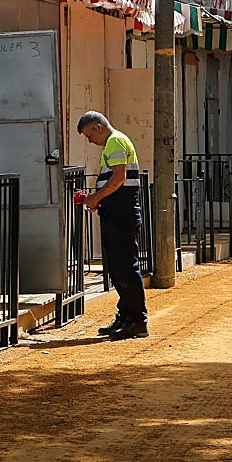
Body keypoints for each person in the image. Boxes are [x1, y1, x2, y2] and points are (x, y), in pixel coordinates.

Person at [77, 111, 148, 339]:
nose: (90, 141)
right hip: (117, 213)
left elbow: (118, 179)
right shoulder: (113, 143)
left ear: (97, 127)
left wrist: (96, 197)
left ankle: (137, 320)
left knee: (125, 267)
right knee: (119, 269)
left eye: (89, 135)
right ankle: (126, 316)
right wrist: (100, 199)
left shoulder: (115, 141)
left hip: (122, 214)